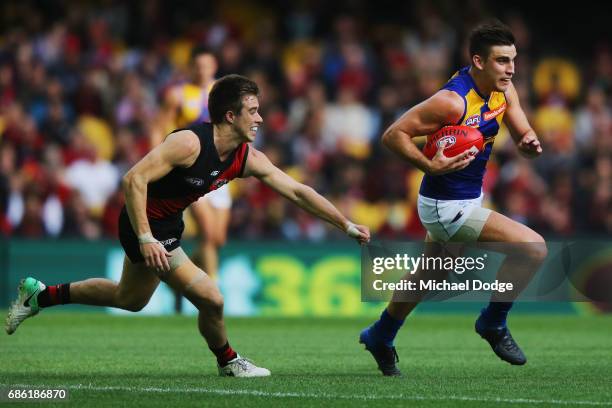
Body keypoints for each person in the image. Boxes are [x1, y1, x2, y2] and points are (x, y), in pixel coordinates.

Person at [5, 74, 371, 377]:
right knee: (212, 299)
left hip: (166, 227)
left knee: (128, 299)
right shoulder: (188, 143)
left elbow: (297, 191)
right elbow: (133, 179)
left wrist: (345, 224)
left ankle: (40, 295)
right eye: (253, 111)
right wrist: (146, 237)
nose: (259, 119)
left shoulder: (245, 157)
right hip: (142, 224)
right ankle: (229, 362)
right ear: (230, 116)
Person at [359, 20, 546, 376]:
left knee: (428, 276)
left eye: (513, 60)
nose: (511, 69)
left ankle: (381, 334)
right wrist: (429, 164)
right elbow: (393, 135)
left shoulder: (504, 91)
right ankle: (493, 322)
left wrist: (529, 143)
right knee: (532, 248)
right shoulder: (451, 101)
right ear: (478, 61)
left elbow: (521, 126)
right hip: (445, 207)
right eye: (502, 61)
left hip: (468, 200)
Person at [161, 46, 230, 283]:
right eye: (198, 66)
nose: (202, 70)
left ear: (214, 67)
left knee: (218, 238)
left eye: (206, 66)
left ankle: (178, 278)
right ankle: (212, 288)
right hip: (191, 169)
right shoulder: (179, 94)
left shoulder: (223, 92)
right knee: (208, 233)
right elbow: (162, 126)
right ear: (191, 68)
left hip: (221, 166)